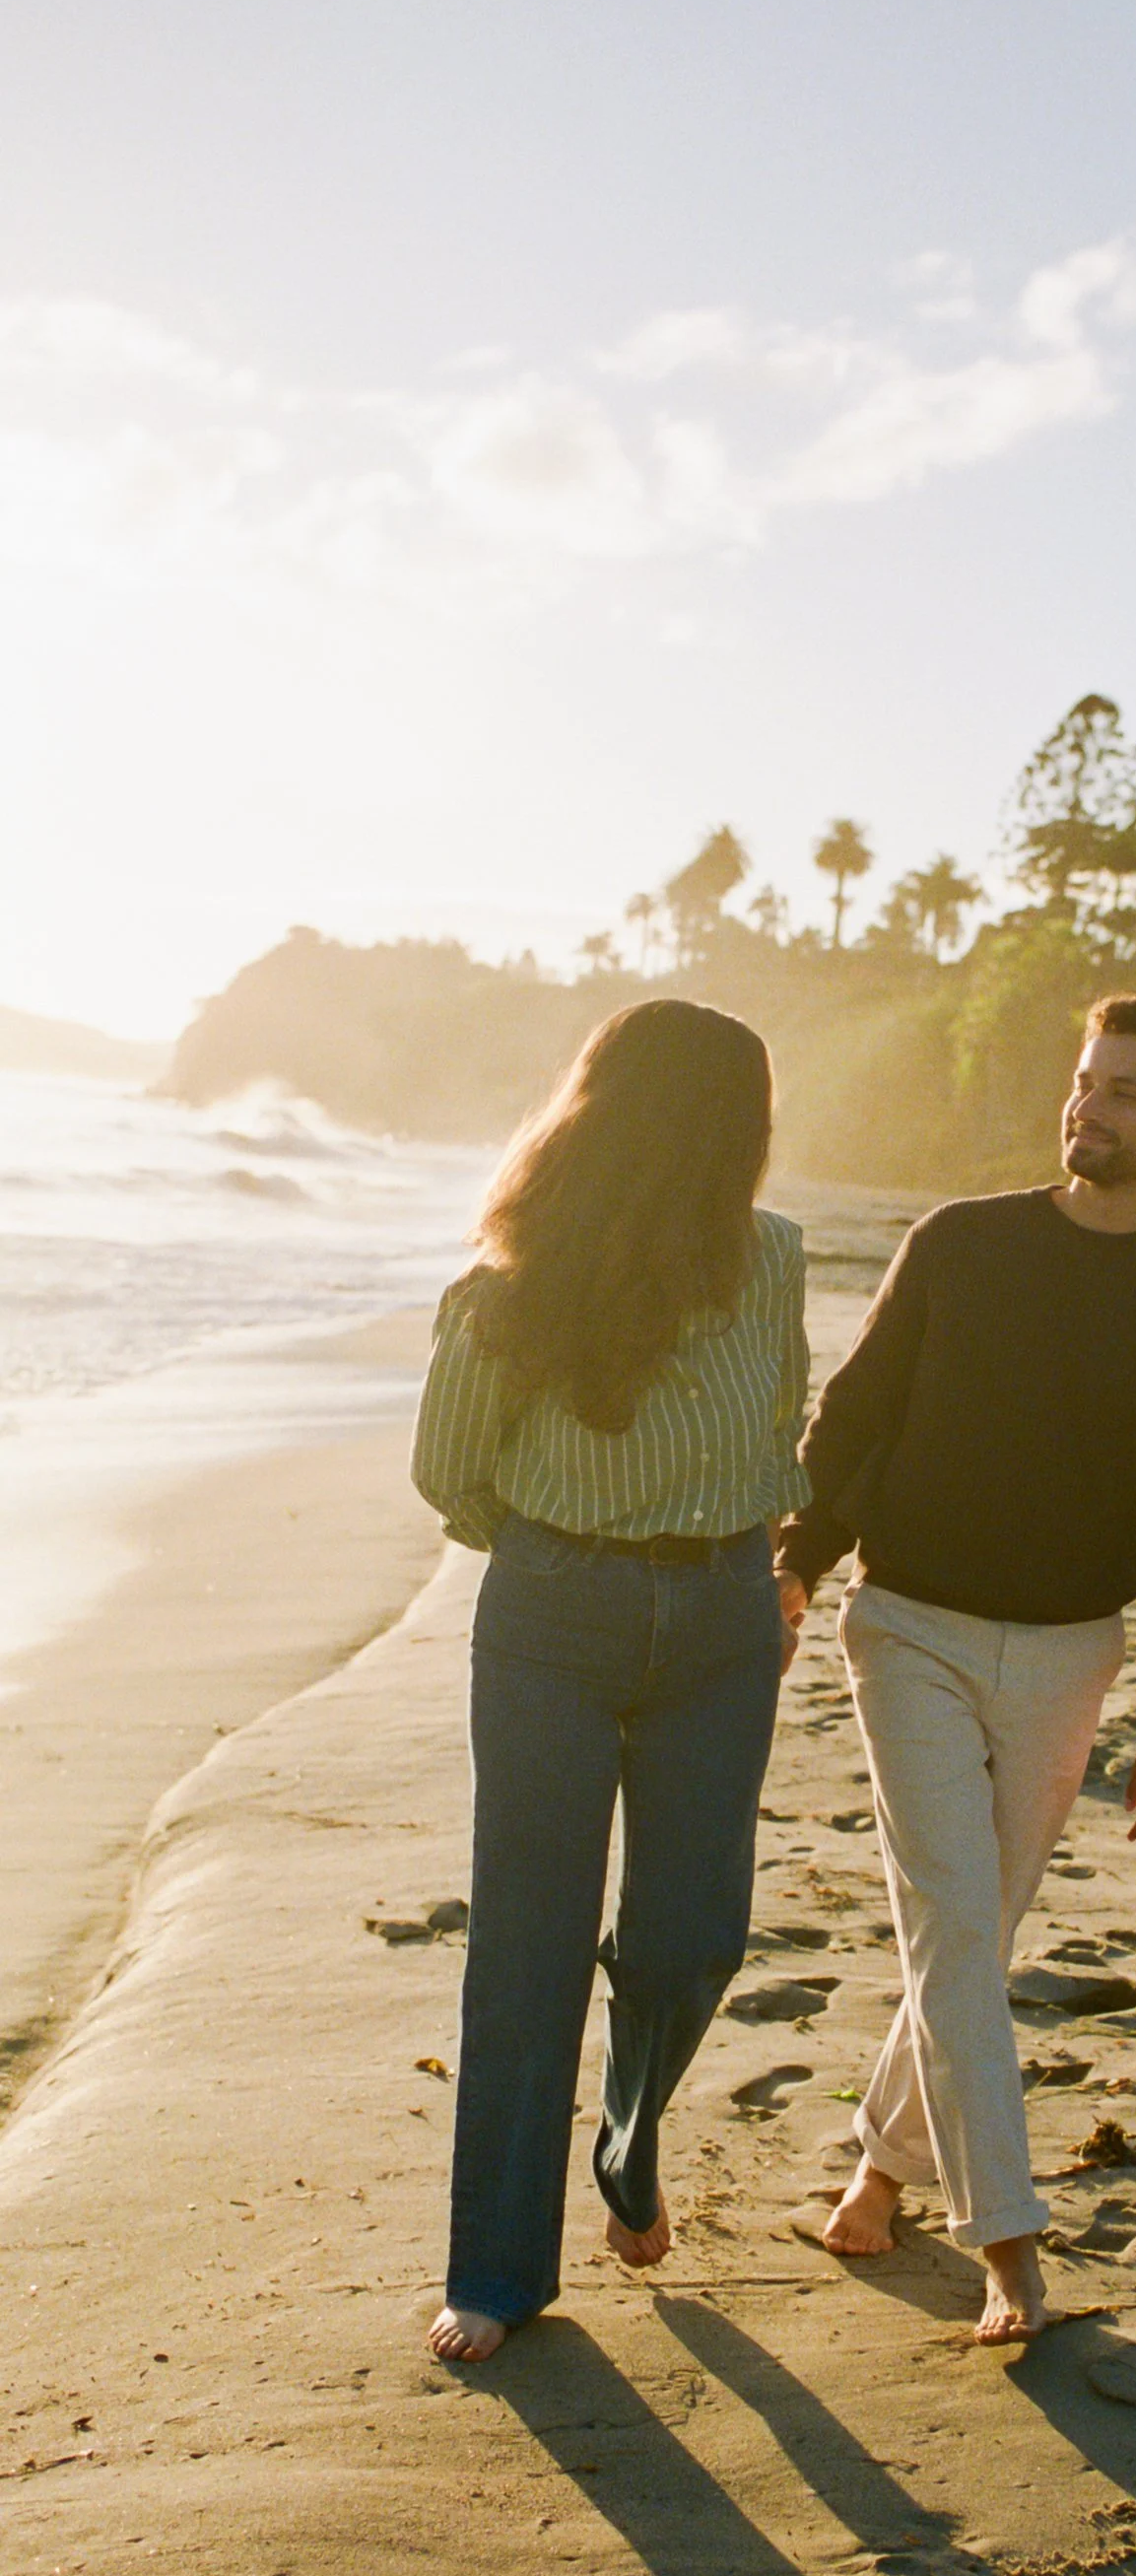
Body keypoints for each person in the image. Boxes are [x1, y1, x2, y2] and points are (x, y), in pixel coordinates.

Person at [775, 993, 1136, 2344]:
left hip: (1069, 1650)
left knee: (972, 1933)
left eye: (1125, 1092)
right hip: (913, 1624)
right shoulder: (961, 1243)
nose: (1088, 1108)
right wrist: (801, 1560)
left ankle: (879, 2171)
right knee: (953, 1921)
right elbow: (854, 1413)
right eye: (1084, 1080)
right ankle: (1008, 2239)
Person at [412, 999, 809, 2365]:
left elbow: (778, 1430)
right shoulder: (510, 1278)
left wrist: (741, 1563)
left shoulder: (773, 1261)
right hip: (552, 1619)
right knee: (528, 1944)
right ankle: (499, 2271)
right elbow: (452, 1476)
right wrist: (571, 1539)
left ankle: (627, 2138)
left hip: (722, 1616)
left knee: (695, 1932)